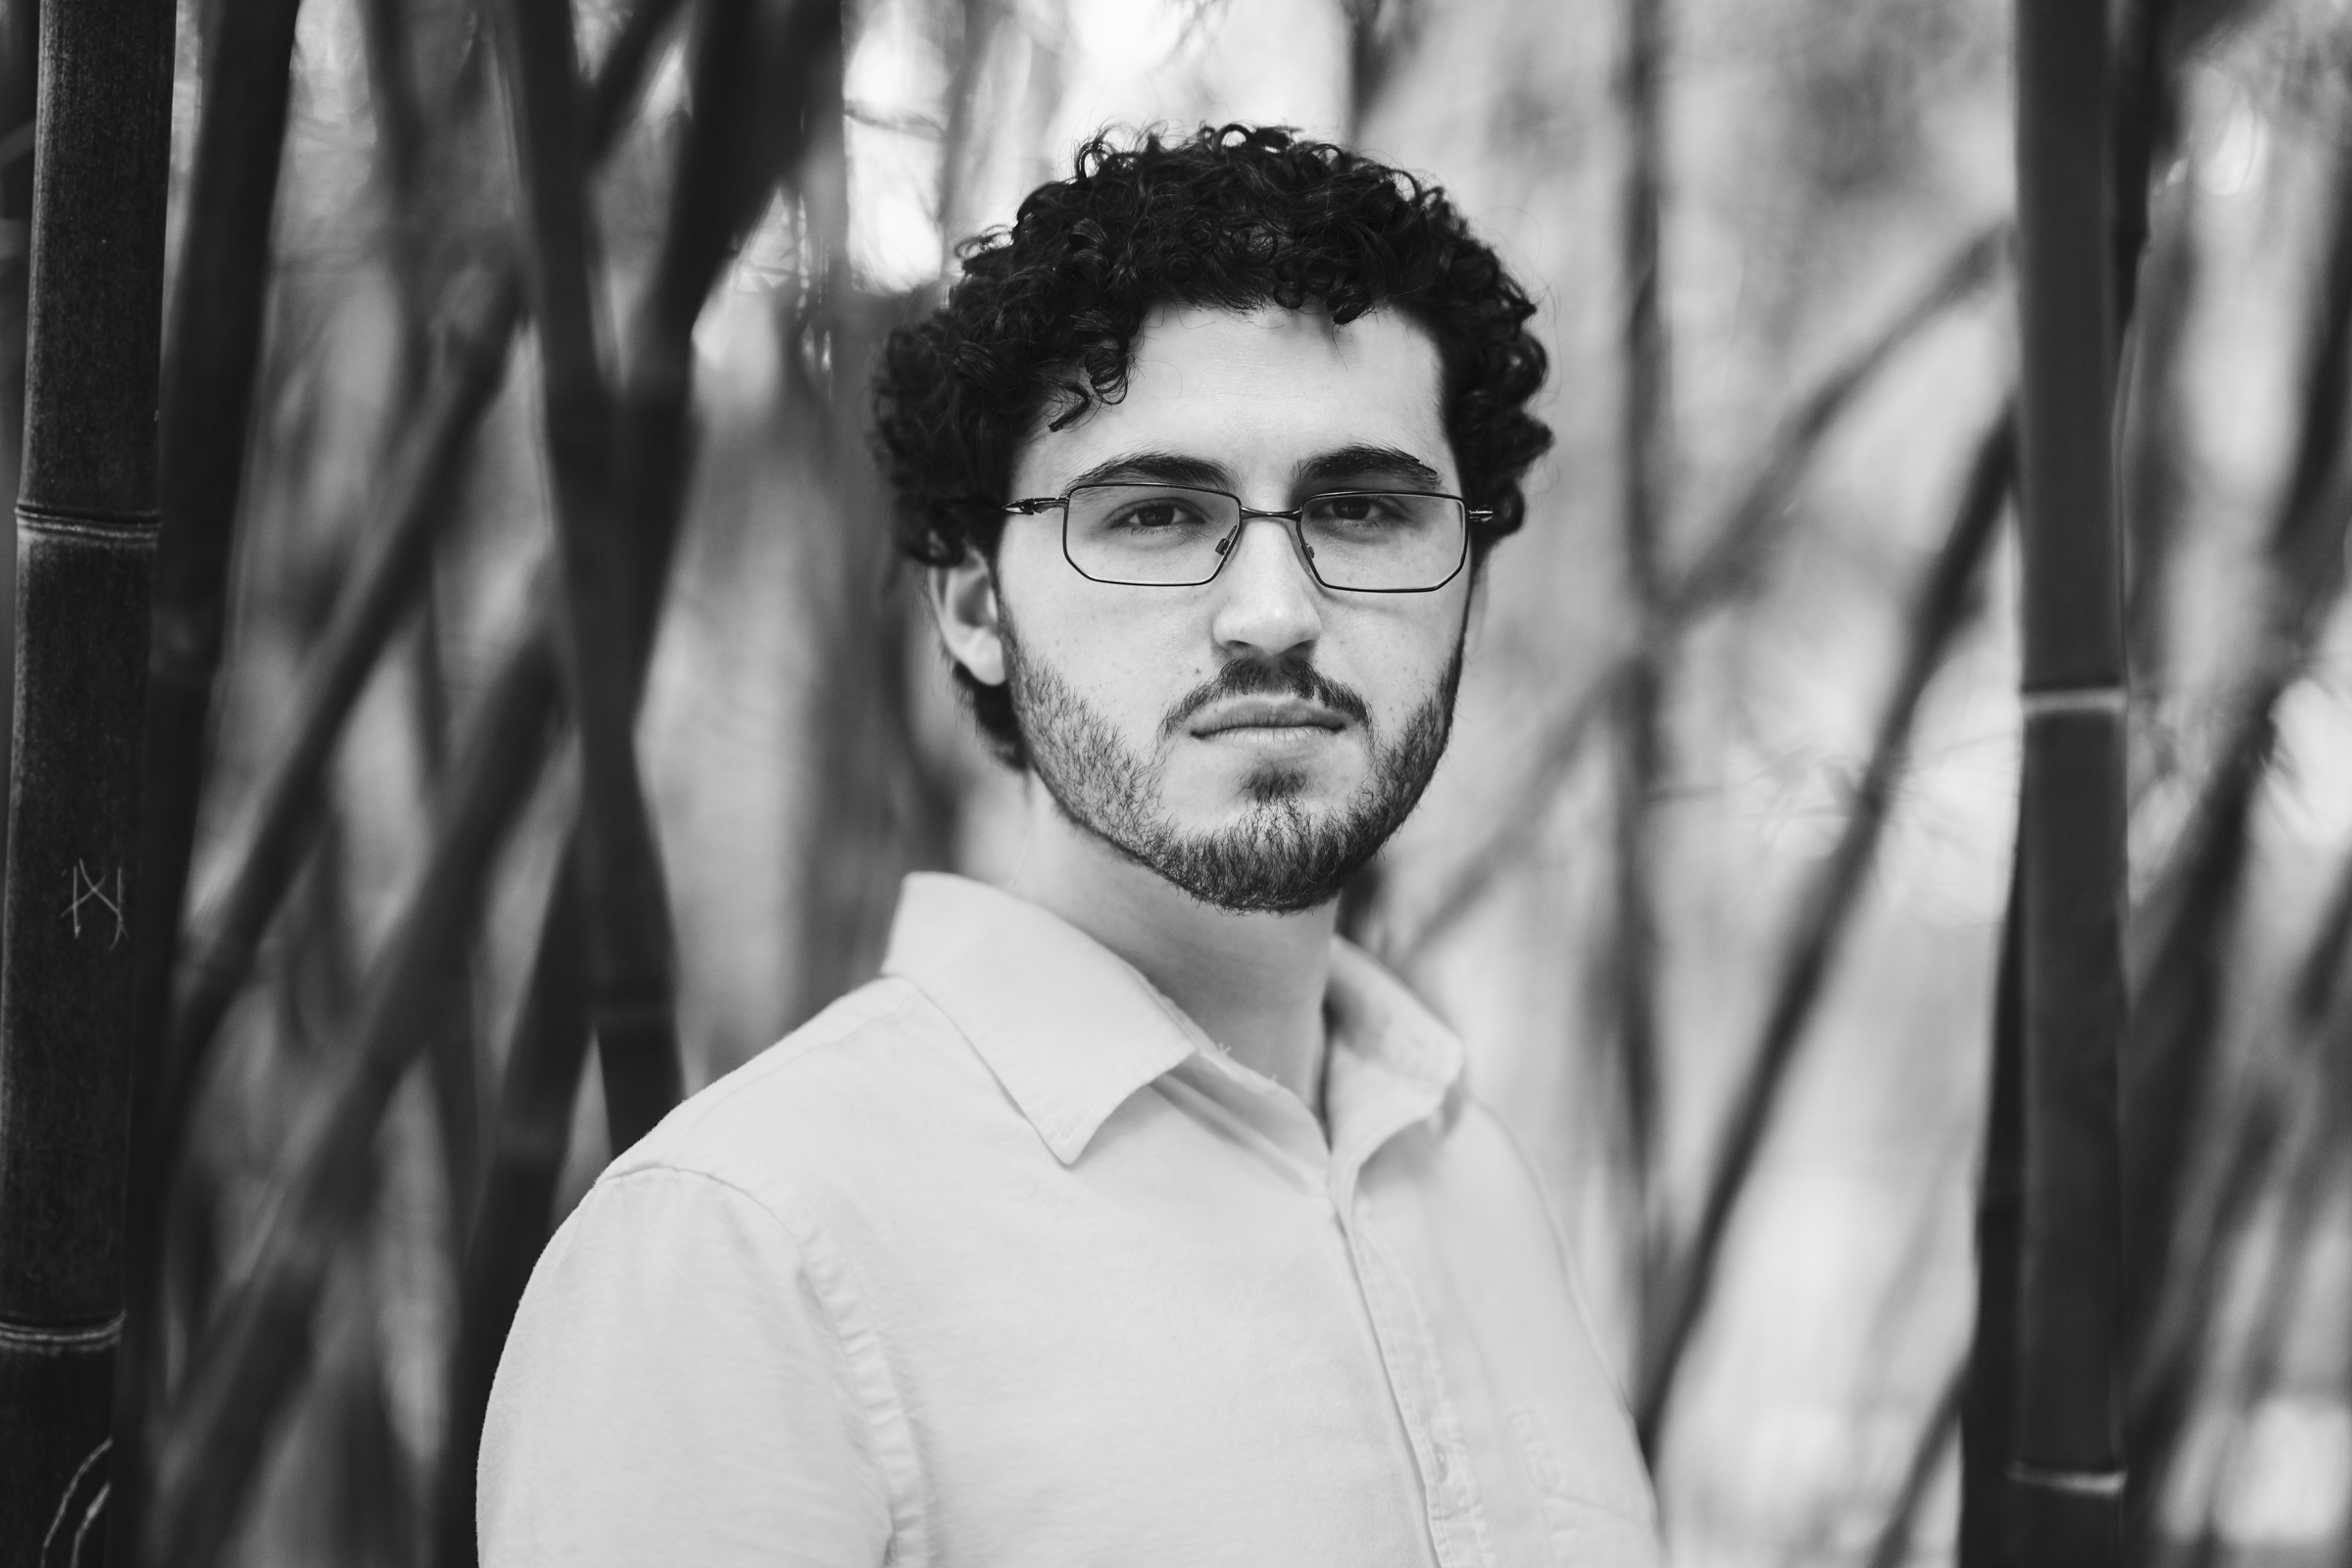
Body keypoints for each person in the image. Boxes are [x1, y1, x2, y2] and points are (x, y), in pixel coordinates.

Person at [478, 123, 1663, 1567]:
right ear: (974, 607)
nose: (1275, 610)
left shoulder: (1476, 1190)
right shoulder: (748, 1250)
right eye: (1159, 514)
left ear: (1467, 576)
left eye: (1361, 508)